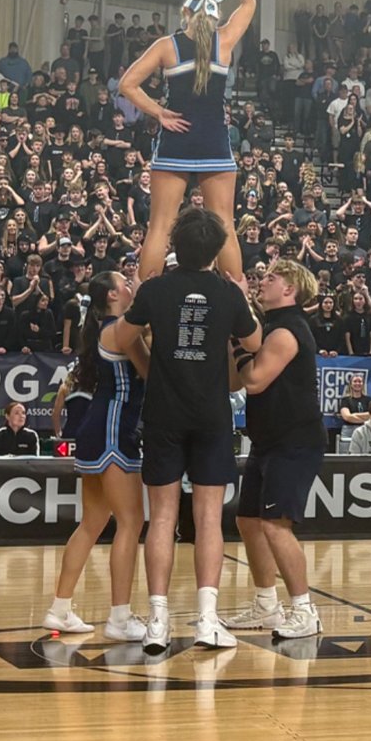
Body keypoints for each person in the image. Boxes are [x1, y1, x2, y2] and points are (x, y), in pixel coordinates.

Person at [115, 207, 260, 654]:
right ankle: (206, 620)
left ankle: (157, 620)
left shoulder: (156, 289)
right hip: (212, 416)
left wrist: (149, 368)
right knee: (208, 518)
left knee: (161, 518)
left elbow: (124, 338)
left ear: (175, 245)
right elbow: (253, 343)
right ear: (216, 251)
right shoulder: (227, 292)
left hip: (163, 414)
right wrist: (243, 297)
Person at [121, 0, 256, 283]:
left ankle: (143, 300)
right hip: (213, 139)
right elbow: (249, 4)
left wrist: (159, 112)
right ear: (214, 14)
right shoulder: (224, 41)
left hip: (176, 139)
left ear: (184, 11)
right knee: (224, 223)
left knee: (160, 227)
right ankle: (237, 299)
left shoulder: (167, 46)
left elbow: (127, 85)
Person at [223, 259, 326, 641]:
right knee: (247, 521)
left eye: (272, 277)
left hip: (294, 440)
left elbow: (254, 381)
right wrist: (235, 335)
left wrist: (237, 342)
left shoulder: (288, 330)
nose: (262, 280)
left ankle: (304, 610)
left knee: (275, 525)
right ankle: (267, 605)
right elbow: (236, 379)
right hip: (268, 440)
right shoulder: (270, 328)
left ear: (290, 290)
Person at [45, 271, 147, 639]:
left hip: (97, 427)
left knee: (92, 523)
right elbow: (150, 371)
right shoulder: (120, 330)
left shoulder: (111, 327)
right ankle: (120, 618)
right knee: (131, 522)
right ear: (113, 295)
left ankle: (60, 609)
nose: (131, 285)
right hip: (113, 431)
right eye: (127, 282)